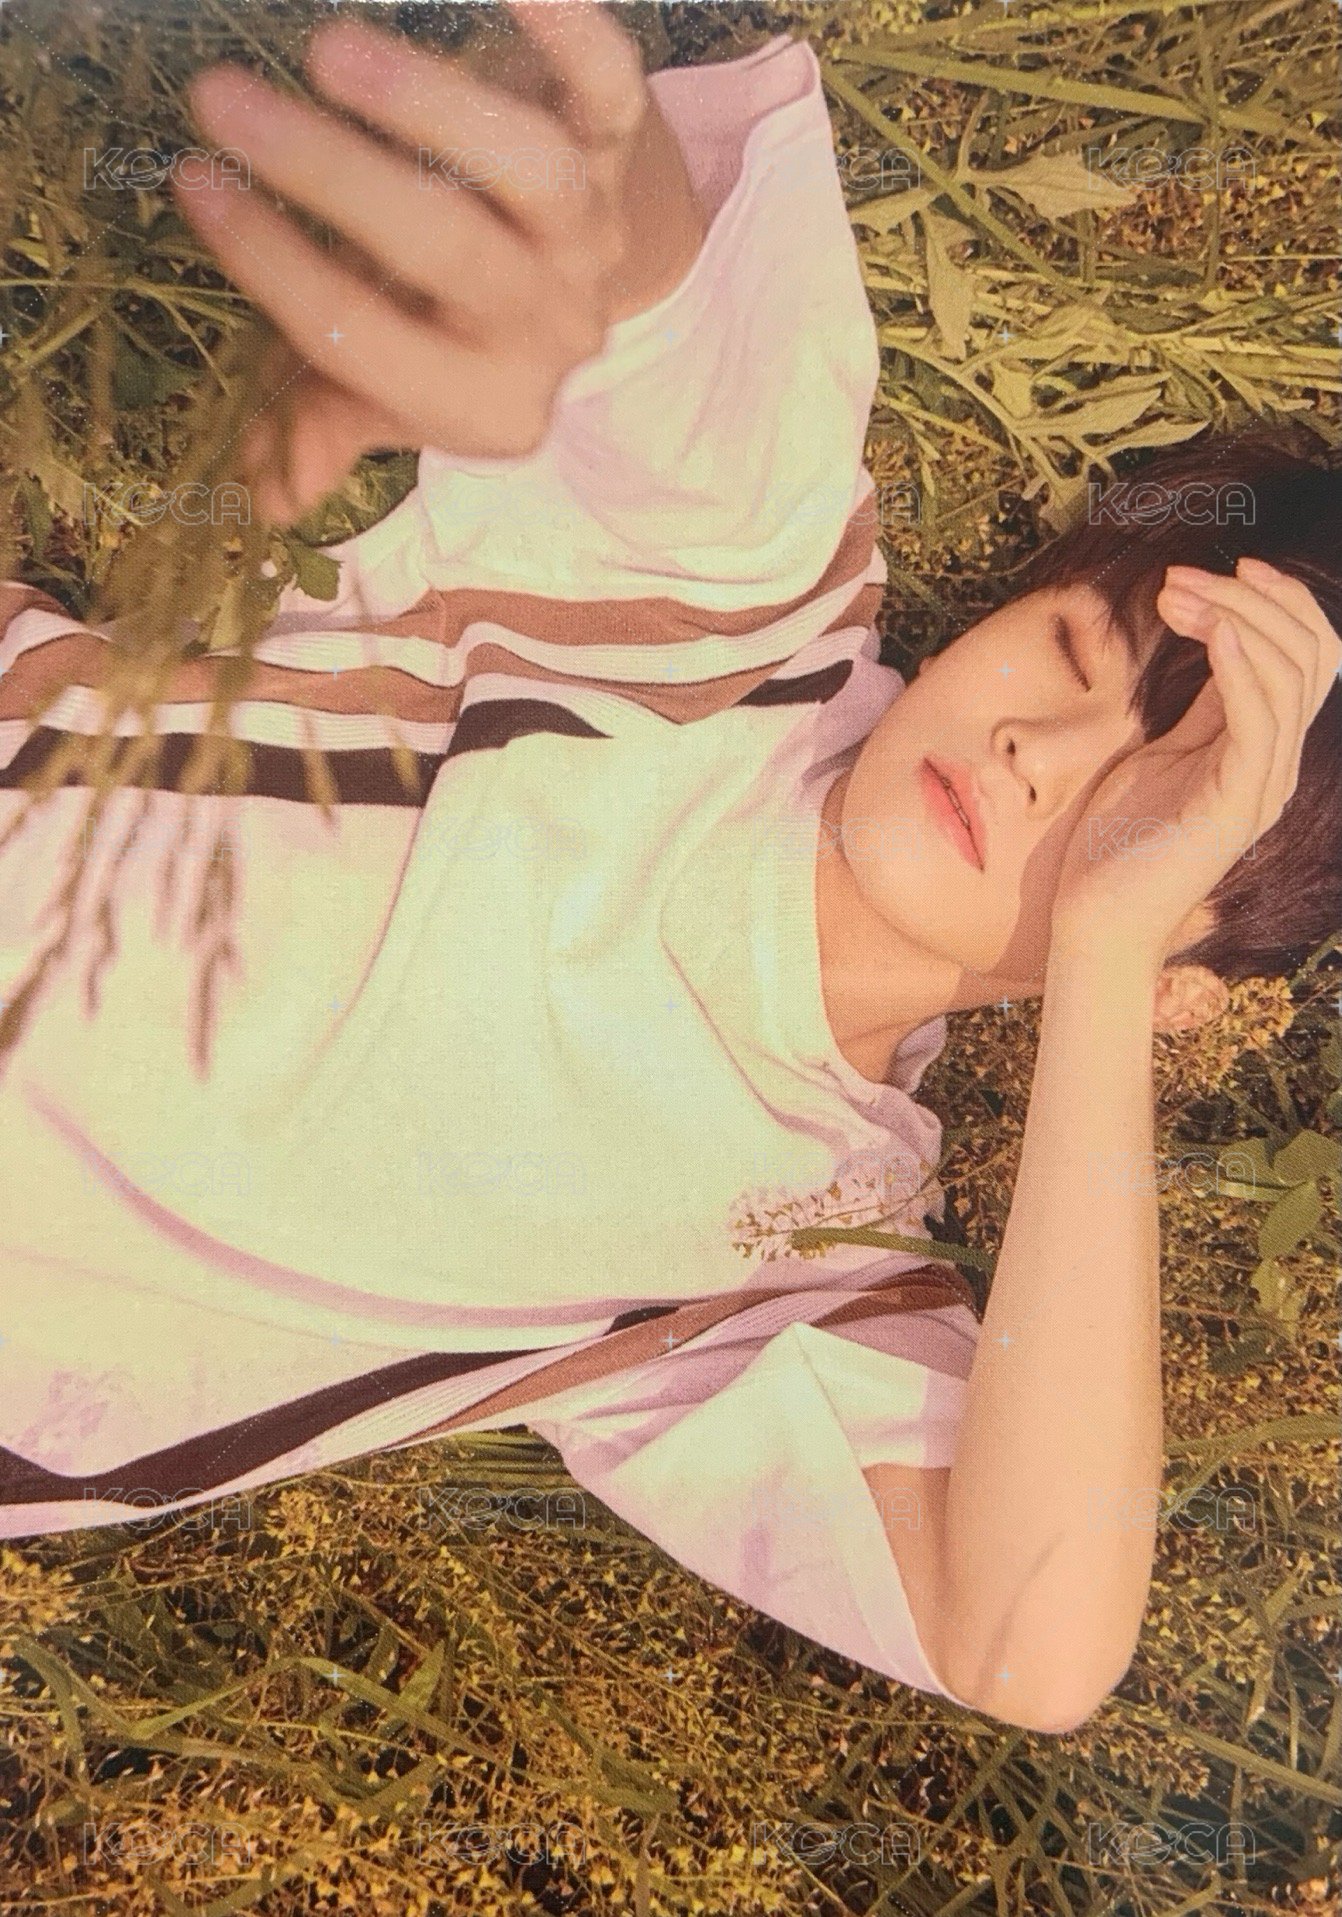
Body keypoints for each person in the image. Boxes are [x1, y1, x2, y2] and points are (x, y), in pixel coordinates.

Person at [0, 2, 1337, 1736]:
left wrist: (1098, 955)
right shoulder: (738, 614)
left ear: (1180, 985)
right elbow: (635, 219)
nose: (1033, 749)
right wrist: (571, 216)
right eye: (1072, 650)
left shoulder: (790, 1262)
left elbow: (1029, 1645)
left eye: (1142, 801)